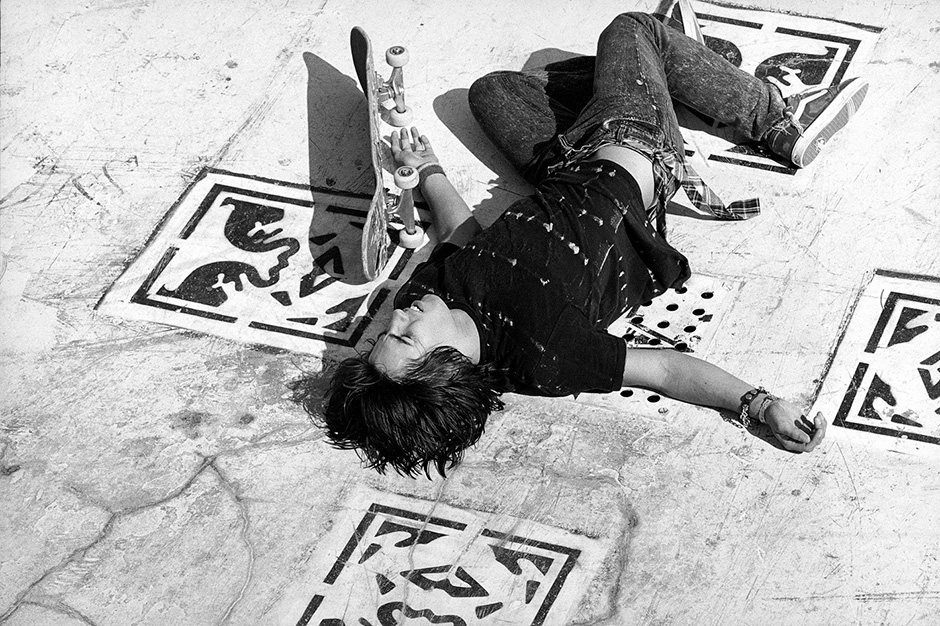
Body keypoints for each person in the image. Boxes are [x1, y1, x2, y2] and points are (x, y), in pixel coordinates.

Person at [293, 11, 867, 477]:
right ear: (450, 364)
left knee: (495, 92)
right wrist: (761, 406)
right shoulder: (545, 353)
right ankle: (777, 120)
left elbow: (463, 234)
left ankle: (659, 80)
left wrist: (429, 169)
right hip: (633, 158)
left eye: (386, 335)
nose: (397, 316)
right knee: (630, 29)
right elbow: (666, 371)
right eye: (405, 337)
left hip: (562, 168)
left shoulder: (433, 294)